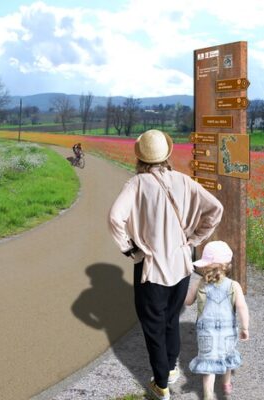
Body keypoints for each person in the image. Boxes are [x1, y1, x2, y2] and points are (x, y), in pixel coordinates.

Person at [108, 129, 224, 400]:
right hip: (181, 265)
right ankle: (171, 368)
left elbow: (115, 218)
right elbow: (215, 208)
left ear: (140, 158)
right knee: (171, 319)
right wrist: (195, 238)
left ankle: (161, 385)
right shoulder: (184, 180)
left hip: (152, 267)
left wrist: (130, 249)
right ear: (167, 154)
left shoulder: (136, 185)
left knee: (153, 325)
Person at [185, 241, 249, 400]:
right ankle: (226, 385)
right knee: (226, 358)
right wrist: (245, 327)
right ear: (226, 265)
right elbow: (242, 308)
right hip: (228, 333)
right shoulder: (234, 286)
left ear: (205, 265)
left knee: (208, 366)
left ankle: (208, 396)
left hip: (206, 334)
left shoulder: (199, 283)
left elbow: (187, 301)